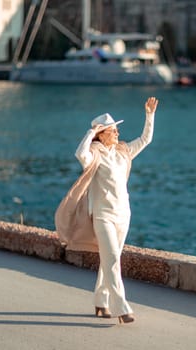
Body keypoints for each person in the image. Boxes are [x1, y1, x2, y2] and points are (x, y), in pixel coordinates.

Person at [55, 97, 159, 324]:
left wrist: (149, 115)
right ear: (101, 134)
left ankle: (101, 302)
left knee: (108, 260)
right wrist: (90, 133)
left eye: (116, 130)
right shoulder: (94, 153)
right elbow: (80, 155)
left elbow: (145, 139)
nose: (117, 134)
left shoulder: (123, 151)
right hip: (103, 216)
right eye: (112, 131)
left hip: (123, 214)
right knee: (112, 260)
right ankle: (122, 307)